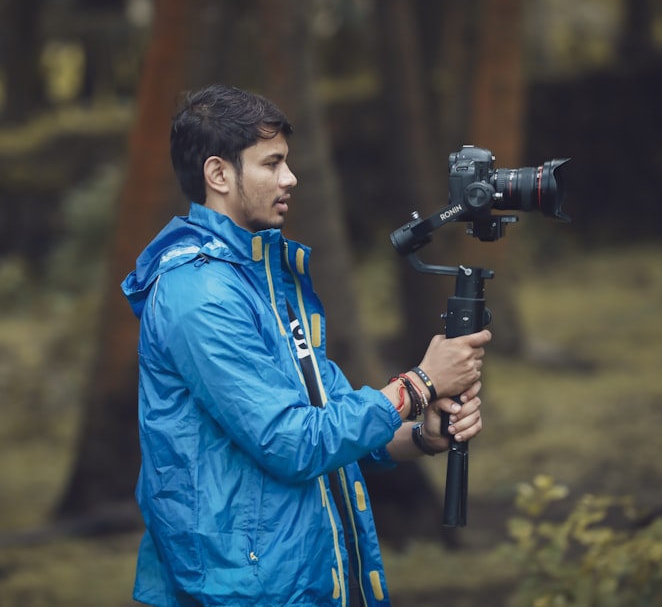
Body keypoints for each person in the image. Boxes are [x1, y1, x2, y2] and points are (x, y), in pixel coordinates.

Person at [122, 84, 491, 606]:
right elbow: (290, 442)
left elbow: (333, 419)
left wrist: (421, 435)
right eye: (271, 163)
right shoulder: (199, 294)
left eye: (287, 162)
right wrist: (421, 383)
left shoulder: (267, 279)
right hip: (236, 590)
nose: (289, 178)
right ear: (218, 174)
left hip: (303, 578)